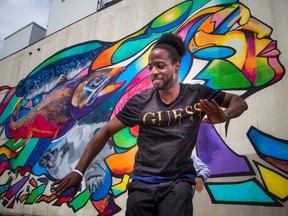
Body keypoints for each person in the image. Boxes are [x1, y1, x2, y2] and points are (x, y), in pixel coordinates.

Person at [52, 33, 248, 215]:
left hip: (178, 181)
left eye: (160, 66)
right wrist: (79, 170)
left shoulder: (197, 95)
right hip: (142, 183)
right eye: (150, 67)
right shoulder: (140, 102)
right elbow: (105, 131)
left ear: (176, 66)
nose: (153, 72)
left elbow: (239, 102)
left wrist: (226, 117)